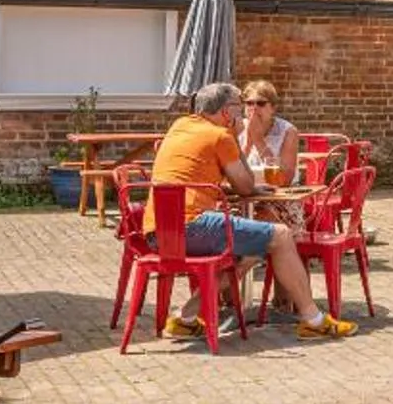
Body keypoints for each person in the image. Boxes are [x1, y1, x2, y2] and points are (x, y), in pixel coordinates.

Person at [146, 81, 354, 340]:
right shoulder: (221, 135)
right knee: (280, 235)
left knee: (251, 252)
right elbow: (245, 187)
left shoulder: (179, 126)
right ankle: (313, 320)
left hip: (158, 233)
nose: (245, 112)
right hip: (192, 226)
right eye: (239, 106)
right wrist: (235, 137)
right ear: (226, 112)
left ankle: (184, 318)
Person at [235, 79, 301, 185]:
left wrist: (259, 141)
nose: (254, 108)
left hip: (281, 196)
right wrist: (247, 145)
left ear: (273, 108)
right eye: (249, 103)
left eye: (261, 103)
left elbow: (285, 179)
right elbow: (232, 175)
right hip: (247, 193)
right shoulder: (237, 127)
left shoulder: (288, 131)